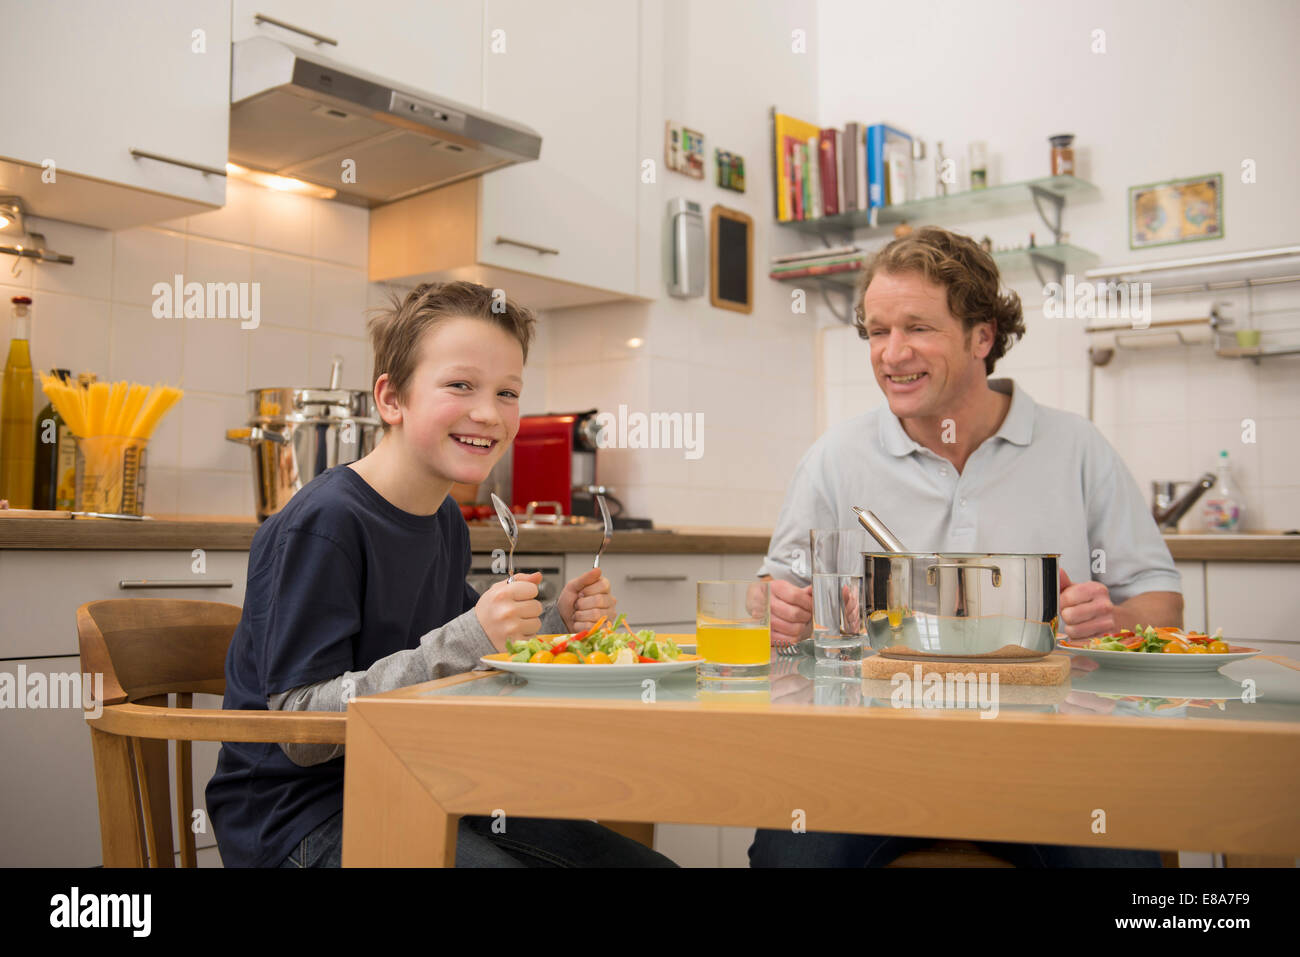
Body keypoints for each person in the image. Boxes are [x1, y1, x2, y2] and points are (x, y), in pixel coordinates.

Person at [750, 227, 1180, 868]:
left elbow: (1163, 606)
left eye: (918, 328)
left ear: (982, 336)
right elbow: (768, 593)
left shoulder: (1075, 448)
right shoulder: (836, 457)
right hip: (868, 760)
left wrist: (1114, 621)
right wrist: (774, 608)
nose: (892, 354)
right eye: (876, 331)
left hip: (1050, 763)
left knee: (1122, 868)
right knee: (793, 862)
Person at [206, 281, 675, 868]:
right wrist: (476, 635)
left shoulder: (444, 520)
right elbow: (304, 731)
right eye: (460, 385)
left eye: (508, 392)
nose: (489, 412)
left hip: (426, 780)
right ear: (391, 398)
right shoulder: (324, 523)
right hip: (300, 818)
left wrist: (554, 622)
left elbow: (465, 653)